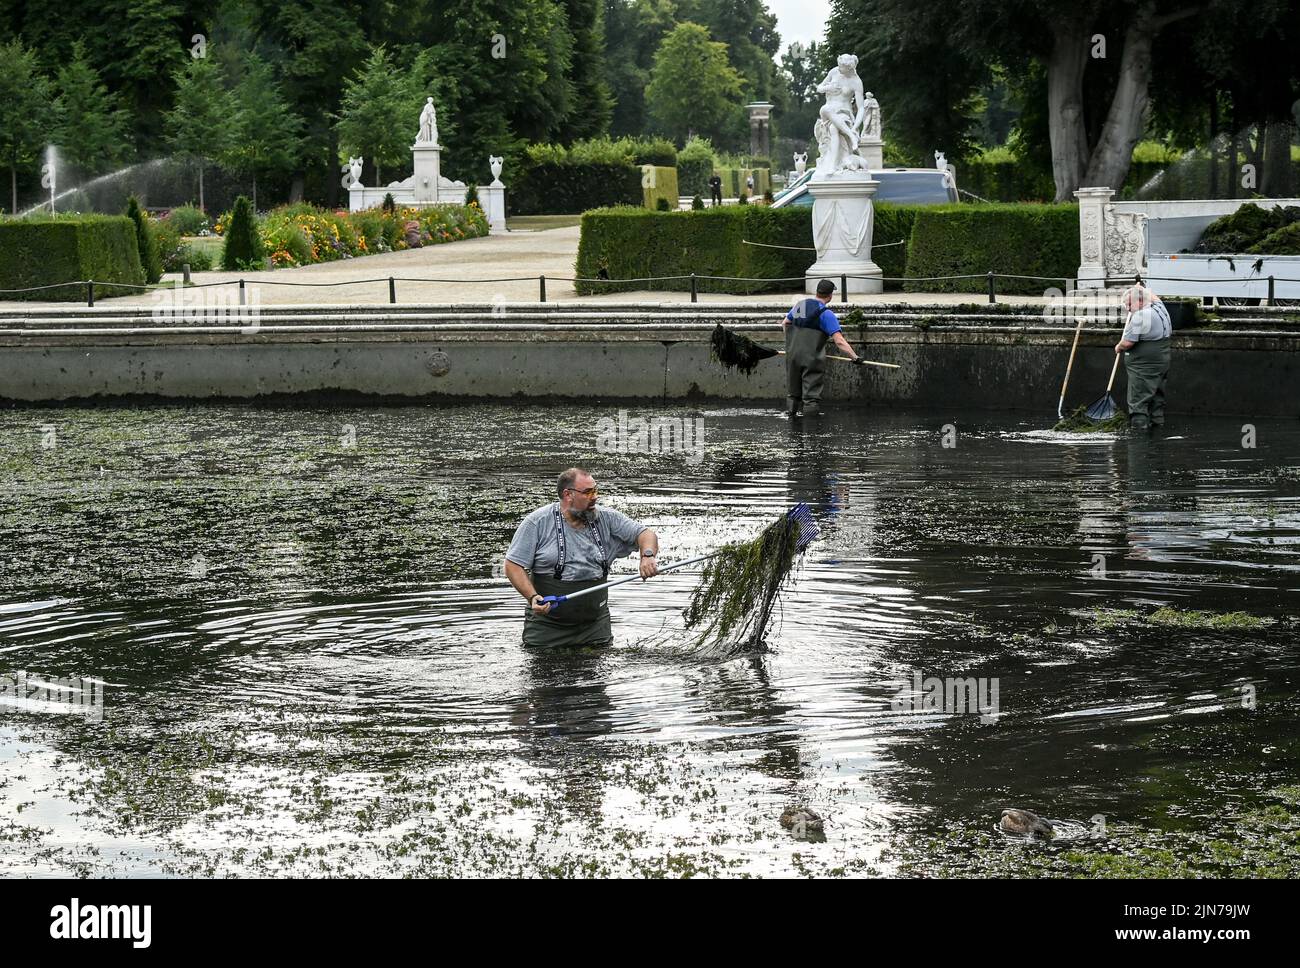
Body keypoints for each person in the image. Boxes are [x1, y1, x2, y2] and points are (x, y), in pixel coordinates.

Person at [504, 468, 659, 647]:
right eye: (587, 492)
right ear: (568, 494)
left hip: (595, 627)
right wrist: (532, 597)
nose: (594, 497)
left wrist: (647, 555)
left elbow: (645, 534)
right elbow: (512, 565)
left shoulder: (607, 518)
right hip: (546, 627)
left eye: (595, 490)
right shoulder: (537, 523)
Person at [783, 279, 866, 418]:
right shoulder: (826, 314)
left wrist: (791, 346)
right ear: (830, 295)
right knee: (810, 397)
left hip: (792, 356)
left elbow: (785, 323)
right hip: (811, 359)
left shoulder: (800, 306)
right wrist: (855, 357)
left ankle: (792, 423)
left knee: (793, 393)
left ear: (817, 292)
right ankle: (811, 430)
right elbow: (839, 341)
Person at [1114, 284, 1172, 433]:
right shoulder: (1160, 308)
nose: (1127, 309)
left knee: (1138, 400)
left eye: (1128, 304)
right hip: (1162, 362)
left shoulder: (1141, 316)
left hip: (1144, 367)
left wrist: (1118, 347)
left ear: (1139, 301)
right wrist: (1140, 288)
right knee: (1156, 397)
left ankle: (1138, 436)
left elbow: (1128, 343)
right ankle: (1157, 430)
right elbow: (1154, 297)